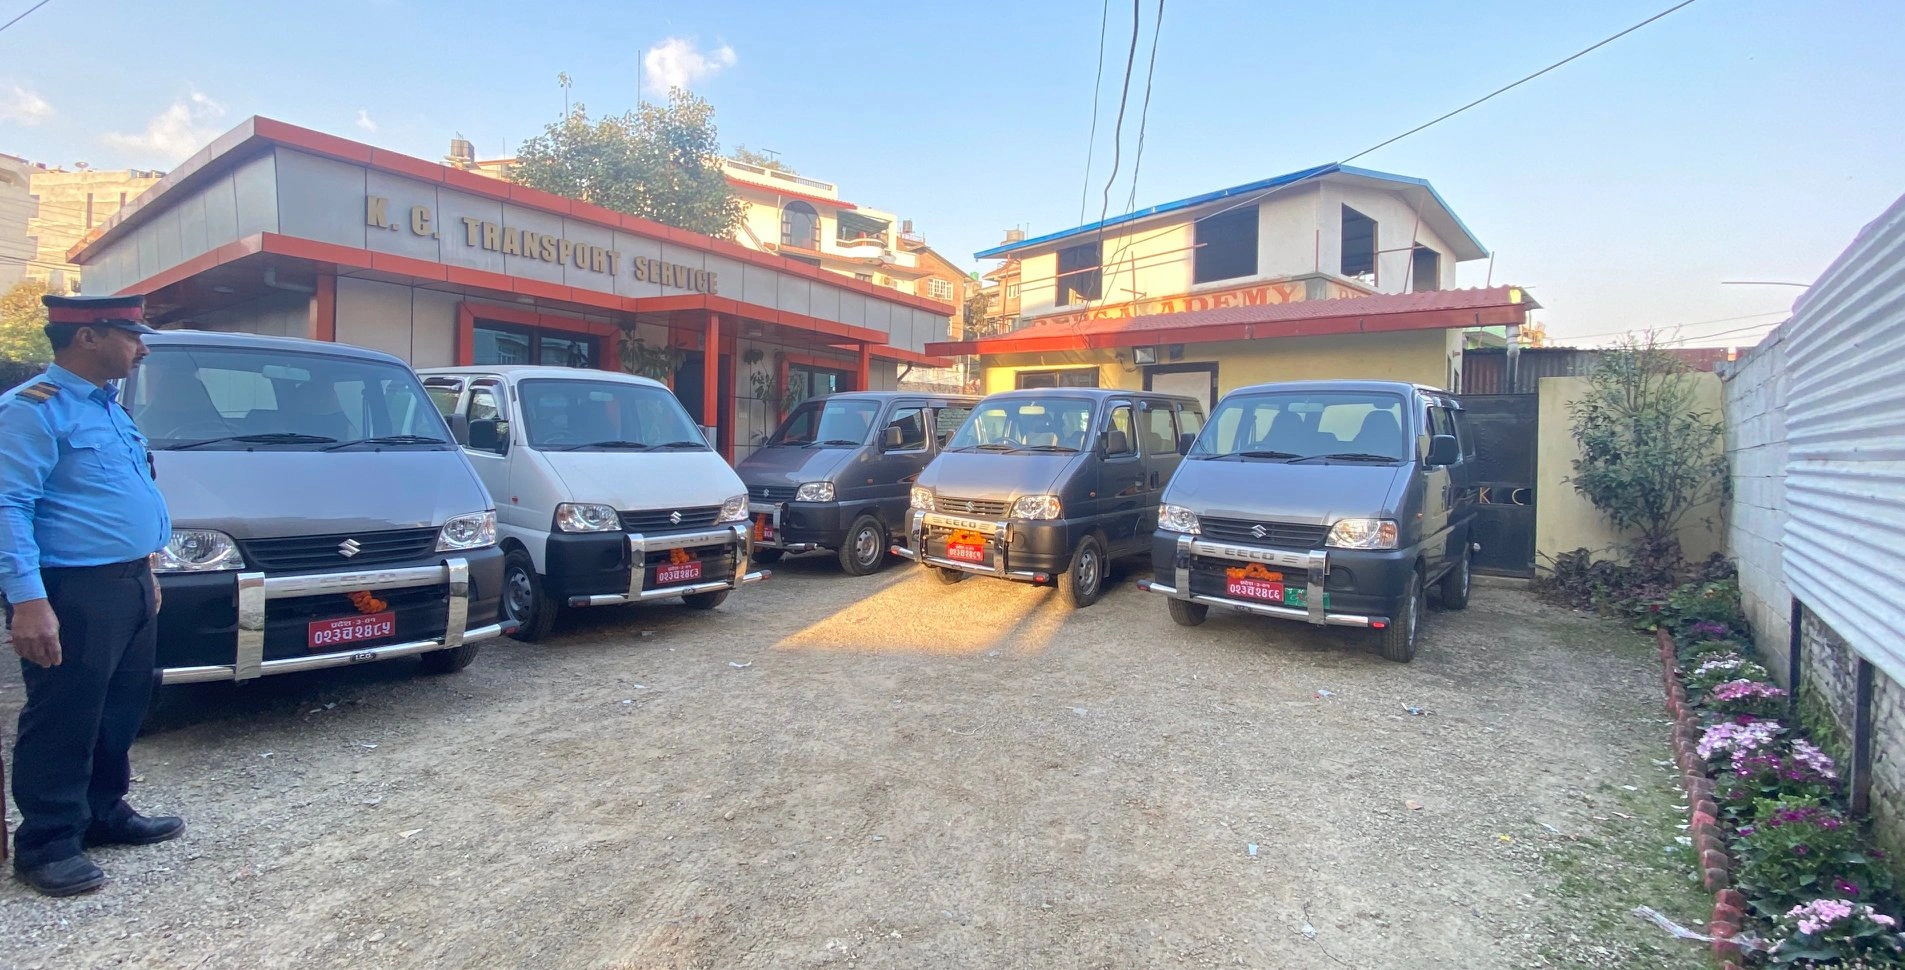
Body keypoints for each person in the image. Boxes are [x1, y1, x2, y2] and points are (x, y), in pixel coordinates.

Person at [0, 294, 181, 897]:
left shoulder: (108, 407)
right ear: (87, 337)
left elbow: (124, 495)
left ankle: (103, 811)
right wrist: (28, 601)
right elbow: (8, 506)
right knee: (64, 714)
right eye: (132, 335)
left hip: (129, 582)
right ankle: (48, 843)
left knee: (120, 706)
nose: (142, 348)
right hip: (70, 590)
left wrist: (146, 570)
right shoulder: (31, 411)